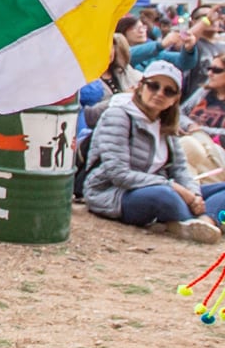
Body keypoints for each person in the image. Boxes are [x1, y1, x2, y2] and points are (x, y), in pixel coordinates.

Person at [82, 61, 225, 239]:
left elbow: (180, 169)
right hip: (114, 192)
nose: (159, 94)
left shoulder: (165, 123)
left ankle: (205, 221)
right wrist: (175, 188)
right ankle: (200, 218)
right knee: (164, 195)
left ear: (175, 99)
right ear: (141, 87)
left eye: (168, 91)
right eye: (153, 86)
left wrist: (194, 195)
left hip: (160, 187)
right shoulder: (118, 115)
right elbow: (118, 173)